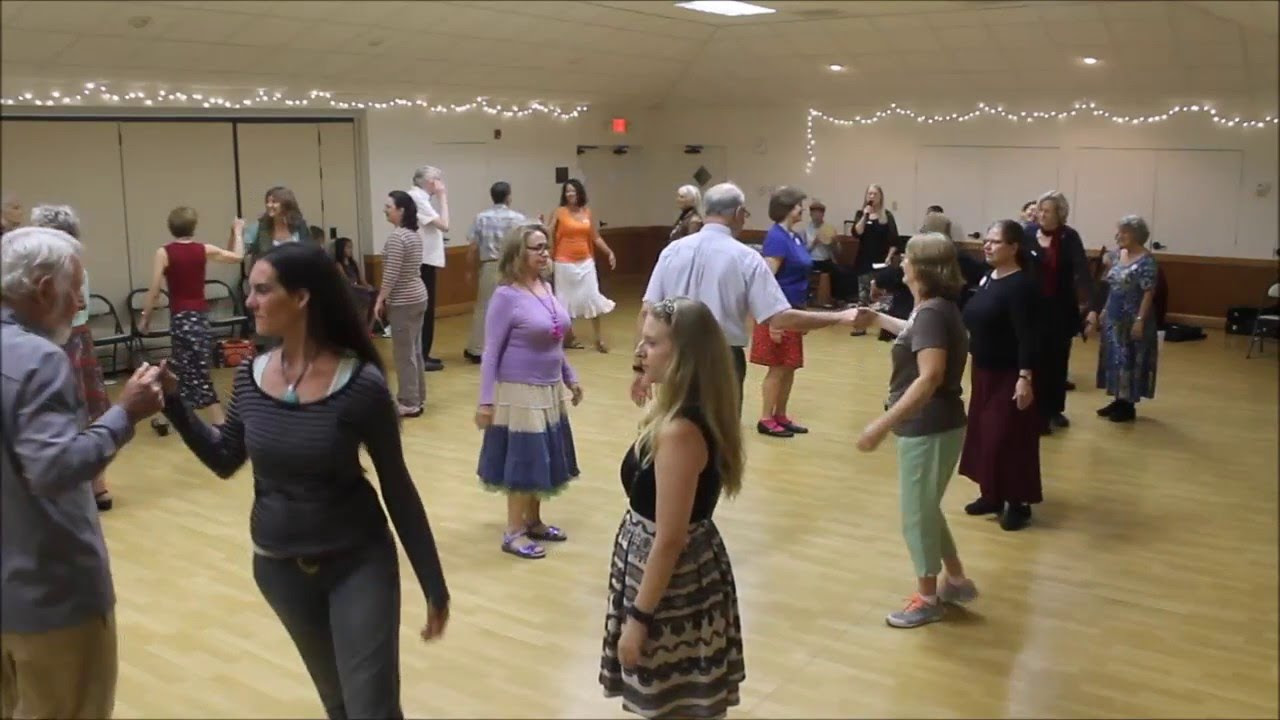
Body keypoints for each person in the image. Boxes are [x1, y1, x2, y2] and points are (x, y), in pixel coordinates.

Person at [159, 242, 449, 719]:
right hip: (278, 567)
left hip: (358, 561)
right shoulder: (251, 376)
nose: (248, 301)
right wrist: (173, 402)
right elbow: (225, 457)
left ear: (301, 298)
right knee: (338, 705)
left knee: (371, 708)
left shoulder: (362, 386)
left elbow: (398, 488)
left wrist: (434, 584)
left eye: (261, 290)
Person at [1, 226, 165, 719]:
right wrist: (125, 414)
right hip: (51, 595)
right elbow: (54, 469)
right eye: (75, 289)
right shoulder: (38, 360)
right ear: (44, 287)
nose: (78, 304)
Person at [599, 297, 746, 719]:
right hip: (664, 570)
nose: (639, 352)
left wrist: (639, 618)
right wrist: (646, 378)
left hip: (671, 582)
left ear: (684, 355)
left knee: (674, 703)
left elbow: (669, 538)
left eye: (652, 344)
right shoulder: (681, 411)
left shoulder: (681, 432)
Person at [637, 182, 862, 413]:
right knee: (719, 434)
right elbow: (780, 318)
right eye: (744, 214)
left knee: (674, 424)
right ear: (737, 214)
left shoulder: (671, 251)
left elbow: (647, 312)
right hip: (721, 359)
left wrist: (641, 367)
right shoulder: (745, 258)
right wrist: (838, 317)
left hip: (674, 355)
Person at [851, 232, 978, 629]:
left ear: (922, 267)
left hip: (928, 427)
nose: (900, 262)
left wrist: (881, 425)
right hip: (940, 426)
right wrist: (877, 318)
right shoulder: (934, 309)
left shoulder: (933, 313)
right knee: (925, 506)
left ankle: (927, 598)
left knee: (915, 514)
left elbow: (930, 377)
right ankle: (955, 580)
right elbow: (915, 332)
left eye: (906, 257)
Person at [476, 223, 582, 559]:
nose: (545, 253)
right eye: (537, 248)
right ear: (518, 254)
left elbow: (554, 338)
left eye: (545, 247)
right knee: (525, 458)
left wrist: (570, 376)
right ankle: (513, 531)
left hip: (549, 388)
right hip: (519, 391)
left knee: (543, 455)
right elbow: (490, 352)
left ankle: (534, 520)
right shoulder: (506, 296)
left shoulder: (545, 288)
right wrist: (485, 401)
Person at [958, 220, 1042, 531]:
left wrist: (1025, 377)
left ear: (1013, 247)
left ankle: (1018, 502)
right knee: (982, 433)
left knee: (1005, 437)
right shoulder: (988, 277)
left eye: (995, 241)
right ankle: (991, 494)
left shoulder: (1022, 286)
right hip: (983, 368)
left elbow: (1028, 337)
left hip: (1010, 373)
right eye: (987, 240)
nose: (987, 246)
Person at [30, 205, 114, 511]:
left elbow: (76, 307)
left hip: (67, 338)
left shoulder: (66, 271)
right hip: (65, 339)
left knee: (84, 413)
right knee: (78, 413)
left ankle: (94, 484)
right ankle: (91, 485)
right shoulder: (62, 269)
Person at [140, 206, 244, 426]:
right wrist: (238, 232)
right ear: (194, 226)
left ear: (171, 227)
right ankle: (169, 416)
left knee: (190, 367)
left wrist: (145, 316)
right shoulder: (202, 249)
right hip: (200, 318)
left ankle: (218, 422)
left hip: (180, 319)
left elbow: (155, 289)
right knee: (187, 366)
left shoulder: (164, 252)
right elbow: (237, 256)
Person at [1022, 190, 1092, 434]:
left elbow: (1081, 271)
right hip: (1031, 308)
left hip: (1060, 309)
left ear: (1060, 214)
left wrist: (1090, 307)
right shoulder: (1027, 234)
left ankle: (1054, 410)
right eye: (1040, 210)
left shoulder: (1069, 237)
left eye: (1047, 211)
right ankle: (1034, 410)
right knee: (1034, 359)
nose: (1041, 214)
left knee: (1058, 361)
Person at [751, 186, 813, 438]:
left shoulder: (794, 236)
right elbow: (767, 279)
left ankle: (781, 415)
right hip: (777, 312)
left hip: (793, 310)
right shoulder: (776, 237)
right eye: (799, 204)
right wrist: (773, 320)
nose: (802, 208)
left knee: (789, 366)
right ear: (788, 208)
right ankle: (766, 418)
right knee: (777, 367)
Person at [1086, 215, 1159, 423]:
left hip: (1133, 316)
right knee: (1114, 358)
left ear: (1137, 235)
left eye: (1124, 232)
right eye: (1119, 232)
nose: (1119, 236)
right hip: (1115, 315)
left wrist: (1139, 319)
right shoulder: (1118, 256)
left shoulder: (1147, 260)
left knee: (1130, 359)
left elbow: (1148, 292)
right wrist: (1104, 310)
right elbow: (1113, 286)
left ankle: (1128, 405)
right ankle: (1118, 399)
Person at [374, 190, 429, 418]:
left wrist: (380, 299)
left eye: (389, 207)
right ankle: (417, 396)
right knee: (414, 350)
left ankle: (409, 401)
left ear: (401, 210)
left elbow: (391, 274)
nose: (385, 210)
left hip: (404, 300)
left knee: (403, 353)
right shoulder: (414, 235)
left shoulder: (397, 238)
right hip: (418, 296)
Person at [548, 178, 617, 352]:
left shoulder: (587, 212)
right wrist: (548, 255)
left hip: (585, 261)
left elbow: (595, 237)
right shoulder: (559, 212)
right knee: (565, 301)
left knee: (592, 296)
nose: (570, 194)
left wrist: (609, 252)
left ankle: (599, 339)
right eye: (567, 191)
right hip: (564, 263)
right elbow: (548, 232)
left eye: (573, 190)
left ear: (580, 193)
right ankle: (565, 337)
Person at [464, 181, 526, 364]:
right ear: (509, 196)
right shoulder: (518, 218)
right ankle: (512, 347)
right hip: (511, 265)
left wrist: (469, 270)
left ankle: (477, 349)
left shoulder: (481, 217)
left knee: (484, 307)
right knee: (513, 307)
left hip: (489, 265)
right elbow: (523, 245)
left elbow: (473, 246)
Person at [408, 165, 448, 371]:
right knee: (425, 309)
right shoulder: (418, 199)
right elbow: (444, 224)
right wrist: (442, 197)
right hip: (423, 261)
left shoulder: (420, 198)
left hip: (426, 260)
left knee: (426, 309)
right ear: (428, 181)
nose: (439, 182)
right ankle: (421, 355)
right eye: (436, 179)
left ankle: (424, 353)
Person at [849, 183, 901, 312]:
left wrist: (889, 257)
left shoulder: (887, 215)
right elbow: (857, 233)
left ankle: (882, 323)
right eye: (869, 194)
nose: (872, 196)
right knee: (863, 294)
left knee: (881, 296)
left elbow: (894, 240)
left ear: (880, 197)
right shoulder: (861, 213)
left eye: (875, 194)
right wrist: (865, 216)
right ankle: (860, 325)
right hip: (864, 260)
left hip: (881, 260)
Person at [804, 198, 851, 303]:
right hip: (812, 261)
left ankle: (838, 299)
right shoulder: (806, 230)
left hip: (826, 260)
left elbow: (838, 252)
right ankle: (809, 298)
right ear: (811, 214)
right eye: (814, 213)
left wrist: (834, 242)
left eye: (819, 213)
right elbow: (803, 251)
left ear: (823, 215)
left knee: (843, 272)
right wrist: (814, 243)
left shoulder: (829, 228)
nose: (817, 216)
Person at [333, 236, 376, 330]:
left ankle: (369, 328)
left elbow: (363, 280)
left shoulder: (354, 263)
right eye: (348, 247)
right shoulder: (338, 265)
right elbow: (347, 283)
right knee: (364, 296)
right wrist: (363, 288)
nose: (350, 250)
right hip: (348, 290)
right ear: (341, 249)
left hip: (359, 287)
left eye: (351, 247)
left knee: (376, 294)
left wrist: (368, 286)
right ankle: (362, 328)